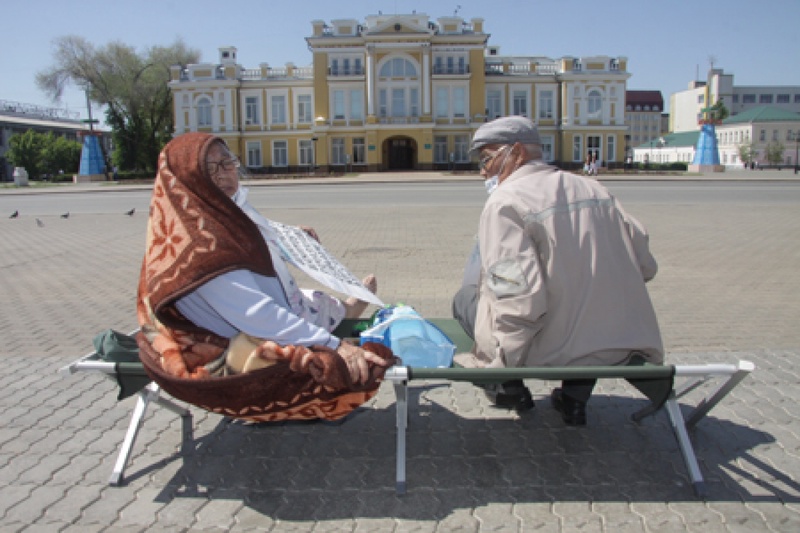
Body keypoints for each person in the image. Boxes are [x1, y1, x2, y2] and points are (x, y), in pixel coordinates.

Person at [136, 132, 392, 421]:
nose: (223, 175)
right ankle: (343, 314)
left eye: (227, 162)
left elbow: (255, 234)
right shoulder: (202, 247)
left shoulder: (217, 212)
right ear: (188, 180)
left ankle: (344, 310)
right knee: (334, 352)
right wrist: (336, 346)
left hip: (259, 313)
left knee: (311, 299)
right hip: (242, 336)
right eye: (209, 168)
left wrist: (292, 237)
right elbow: (257, 315)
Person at [452, 116, 663, 425]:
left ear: (518, 153)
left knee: (464, 299)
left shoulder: (505, 203)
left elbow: (515, 297)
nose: (483, 171)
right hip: (617, 342)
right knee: (586, 299)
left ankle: (509, 388)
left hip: (550, 350)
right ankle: (574, 400)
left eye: (486, 159)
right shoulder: (595, 189)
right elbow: (646, 265)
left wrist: (498, 366)